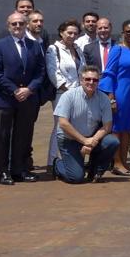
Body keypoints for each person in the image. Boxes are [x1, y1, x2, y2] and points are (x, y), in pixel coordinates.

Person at [0, 12, 45, 185]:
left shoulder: (34, 46)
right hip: (5, 99)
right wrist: (14, 90)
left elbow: (41, 72)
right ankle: (2, 172)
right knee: (3, 136)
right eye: (14, 24)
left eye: (20, 23)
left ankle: (19, 170)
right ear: (8, 26)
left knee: (23, 135)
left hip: (28, 98)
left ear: (26, 25)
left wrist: (30, 89)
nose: (17, 27)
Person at [52, 66, 119, 184]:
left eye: (95, 80)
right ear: (81, 80)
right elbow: (63, 123)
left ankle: (95, 171)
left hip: (91, 137)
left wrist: (92, 141)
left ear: (99, 81)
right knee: (76, 177)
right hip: (69, 139)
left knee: (112, 142)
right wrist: (84, 141)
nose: (91, 82)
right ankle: (58, 165)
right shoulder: (68, 96)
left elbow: (107, 126)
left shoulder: (103, 98)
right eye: (87, 79)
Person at [99, 20, 130, 176]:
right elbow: (108, 74)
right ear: (123, 33)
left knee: (127, 130)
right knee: (117, 129)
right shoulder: (117, 49)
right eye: (128, 31)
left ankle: (124, 162)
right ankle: (117, 163)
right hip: (120, 94)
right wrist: (111, 98)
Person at [45, 20, 84, 174]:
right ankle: (52, 161)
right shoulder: (53, 49)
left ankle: (72, 160)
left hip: (79, 94)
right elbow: (54, 74)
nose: (72, 36)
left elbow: (83, 71)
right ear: (62, 32)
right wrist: (69, 92)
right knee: (60, 127)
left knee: (75, 127)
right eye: (69, 32)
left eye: (75, 33)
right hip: (62, 95)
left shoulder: (78, 49)